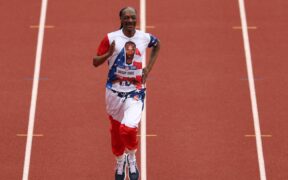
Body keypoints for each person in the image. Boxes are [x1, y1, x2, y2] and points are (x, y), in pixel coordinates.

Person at [93, 6, 160, 180]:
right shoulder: (110, 38)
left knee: (128, 128)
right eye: (126, 18)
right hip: (114, 93)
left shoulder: (144, 38)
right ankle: (120, 160)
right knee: (116, 133)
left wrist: (149, 68)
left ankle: (131, 156)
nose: (130, 20)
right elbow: (95, 61)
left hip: (136, 91)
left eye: (133, 17)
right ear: (121, 20)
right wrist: (109, 53)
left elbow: (157, 44)